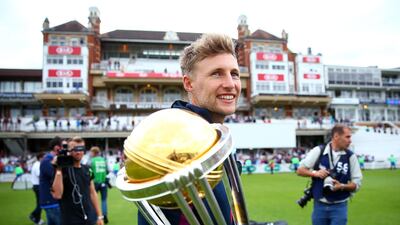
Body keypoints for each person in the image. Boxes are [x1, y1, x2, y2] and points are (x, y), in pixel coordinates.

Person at [137, 33, 241, 225]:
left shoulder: (213, 138)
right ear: (188, 83)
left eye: (234, 73)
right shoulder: (173, 144)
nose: (230, 84)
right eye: (216, 73)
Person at [296, 124, 363, 225]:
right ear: (336, 136)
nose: (350, 140)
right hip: (319, 205)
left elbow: (356, 185)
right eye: (347, 137)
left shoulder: (350, 156)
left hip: (340, 206)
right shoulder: (319, 151)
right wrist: (315, 173)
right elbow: (300, 170)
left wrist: (342, 186)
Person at [52, 136, 104, 225]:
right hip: (70, 220)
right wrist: (59, 170)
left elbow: (93, 193)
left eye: (81, 148)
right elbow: (57, 195)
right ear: (68, 151)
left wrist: (99, 216)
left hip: (89, 219)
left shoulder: (88, 169)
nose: (78, 151)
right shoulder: (61, 170)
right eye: (74, 149)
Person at [39, 136, 63, 225]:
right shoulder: (47, 160)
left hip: (52, 200)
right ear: (57, 147)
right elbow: (55, 177)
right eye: (63, 146)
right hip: (51, 200)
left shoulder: (48, 159)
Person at [89, 146, 109, 224]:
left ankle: (95, 215)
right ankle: (105, 216)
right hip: (103, 182)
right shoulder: (103, 160)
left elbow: (90, 171)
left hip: (95, 182)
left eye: (91, 152)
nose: (90, 154)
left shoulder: (92, 160)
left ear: (94, 152)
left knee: (93, 199)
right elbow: (107, 171)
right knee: (104, 200)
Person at [29, 152, 45, 225]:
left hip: (37, 186)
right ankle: (33, 215)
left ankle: (37, 219)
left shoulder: (37, 164)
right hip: (38, 186)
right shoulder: (38, 165)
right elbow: (39, 175)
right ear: (40, 158)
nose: (45, 159)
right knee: (40, 204)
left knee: (40, 203)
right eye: (43, 157)